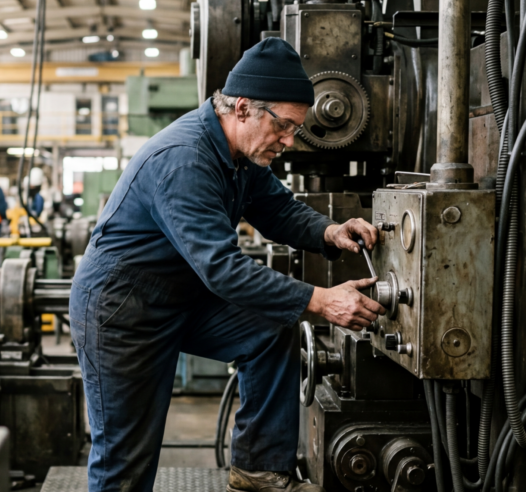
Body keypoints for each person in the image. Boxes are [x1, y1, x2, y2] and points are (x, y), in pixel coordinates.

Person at [69, 38, 385, 492]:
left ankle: (258, 468)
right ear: (242, 109)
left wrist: (330, 231)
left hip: (179, 297)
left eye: (295, 129)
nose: (289, 141)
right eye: (283, 126)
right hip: (121, 311)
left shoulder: (240, 154)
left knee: (271, 328)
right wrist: (320, 300)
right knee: (126, 461)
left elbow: (278, 209)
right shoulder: (185, 160)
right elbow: (222, 269)